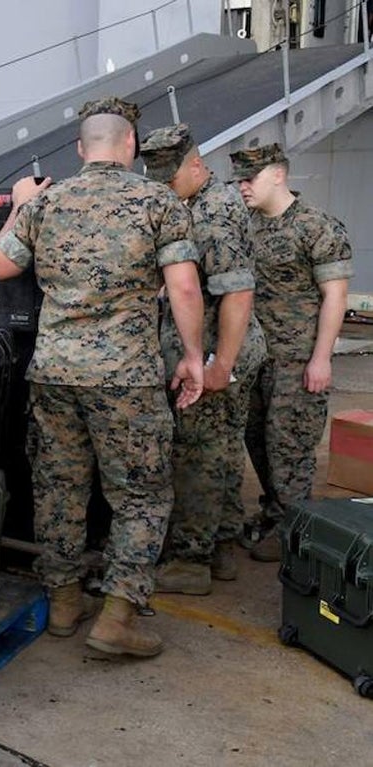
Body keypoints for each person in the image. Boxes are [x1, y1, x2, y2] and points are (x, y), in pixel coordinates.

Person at [0, 97, 205, 658]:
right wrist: (193, 357)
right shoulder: (157, 201)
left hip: (54, 372)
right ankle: (117, 618)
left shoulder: (48, 202)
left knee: (59, 488)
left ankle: (63, 604)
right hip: (126, 377)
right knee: (140, 496)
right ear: (131, 146)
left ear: (81, 150)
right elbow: (183, 287)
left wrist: (19, 205)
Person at [139, 124, 267, 593]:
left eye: (170, 182)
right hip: (214, 352)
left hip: (218, 353)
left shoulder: (214, 213)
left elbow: (237, 295)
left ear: (196, 165)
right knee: (222, 452)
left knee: (197, 456)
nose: (164, 190)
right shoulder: (194, 202)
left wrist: (218, 365)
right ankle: (222, 547)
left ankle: (191, 561)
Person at [231, 144, 353, 562]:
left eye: (250, 179)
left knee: (291, 447)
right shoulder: (245, 226)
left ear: (278, 175)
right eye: (239, 181)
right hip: (254, 359)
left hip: (297, 360)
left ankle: (294, 529)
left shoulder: (316, 226)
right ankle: (275, 511)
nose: (243, 187)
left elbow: (335, 296)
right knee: (257, 441)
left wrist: (321, 358)